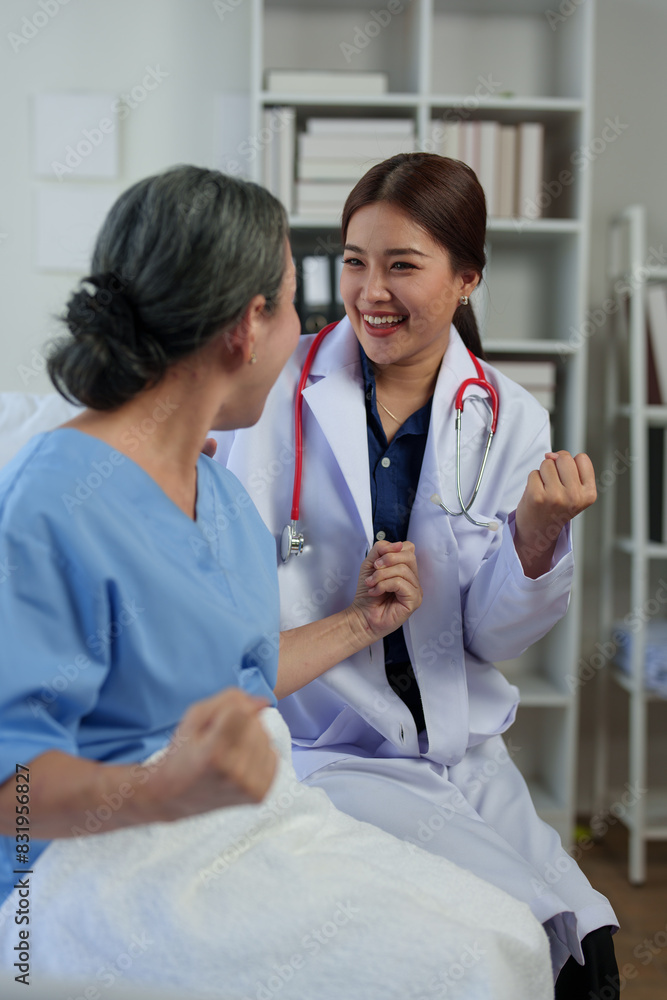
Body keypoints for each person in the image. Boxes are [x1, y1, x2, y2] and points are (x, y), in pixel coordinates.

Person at [0, 166, 553, 998]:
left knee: (510, 939)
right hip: (85, 870)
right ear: (244, 327)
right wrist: (164, 789)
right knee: (466, 971)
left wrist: (363, 623)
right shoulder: (56, 499)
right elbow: (12, 804)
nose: (317, 329)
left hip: (242, 824)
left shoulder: (214, 491)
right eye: (299, 302)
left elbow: (245, 674)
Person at [212, 152, 620, 996]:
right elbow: (234, 592)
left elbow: (491, 633)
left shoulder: (507, 413)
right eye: (356, 262)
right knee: (525, 932)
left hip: (462, 744)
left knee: (590, 942)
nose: (370, 291)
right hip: (331, 740)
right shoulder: (278, 387)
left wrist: (535, 541)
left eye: (403, 265)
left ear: (466, 277)